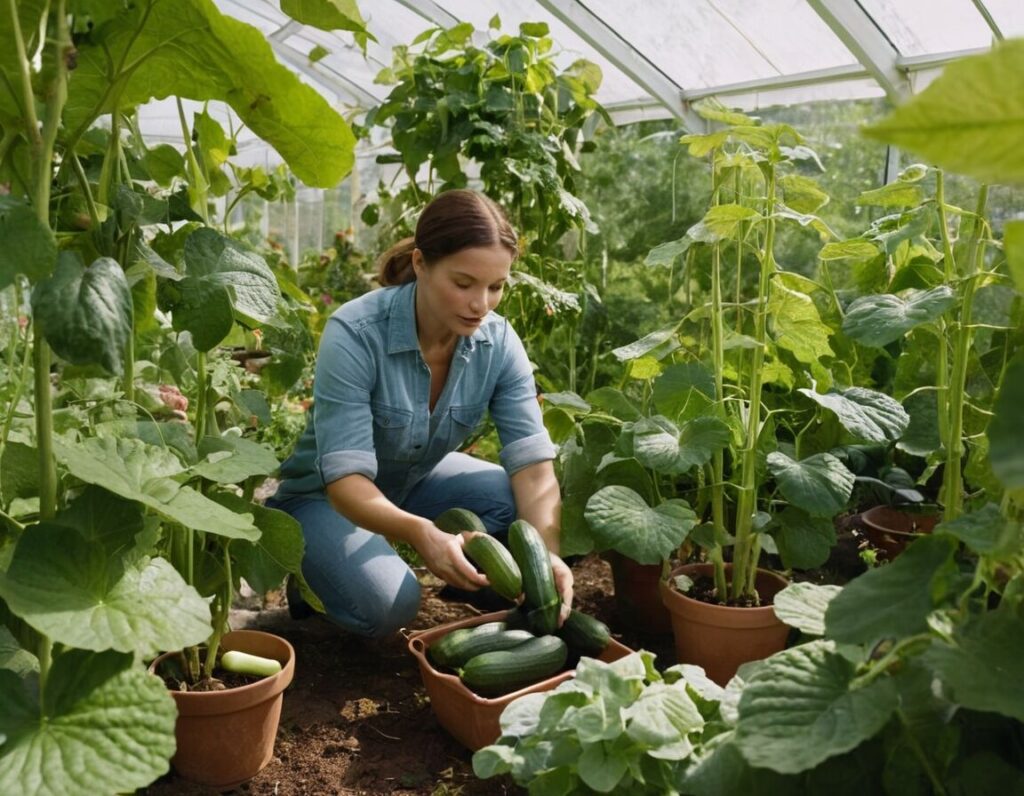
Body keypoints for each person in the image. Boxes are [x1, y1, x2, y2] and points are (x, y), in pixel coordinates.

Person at [266, 189, 573, 638]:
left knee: (520, 505)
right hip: (324, 498)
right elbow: (346, 483)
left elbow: (533, 469)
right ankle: (314, 581)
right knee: (390, 605)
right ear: (420, 264)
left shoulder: (499, 342)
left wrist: (547, 556)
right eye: (463, 283)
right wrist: (420, 532)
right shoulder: (355, 333)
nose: (480, 304)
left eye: (496, 286)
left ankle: (471, 584)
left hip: (416, 479)